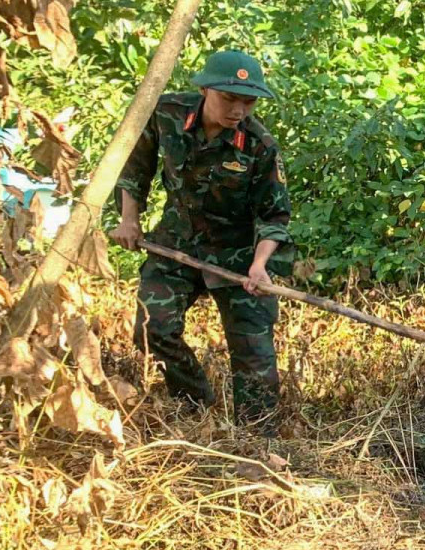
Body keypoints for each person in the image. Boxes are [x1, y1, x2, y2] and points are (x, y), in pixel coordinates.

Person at [112, 49, 292, 429]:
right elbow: (134, 167)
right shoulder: (167, 112)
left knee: (254, 358)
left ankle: (259, 440)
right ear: (206, 89)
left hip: (238, 256)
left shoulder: (259, 145)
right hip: (175, 244)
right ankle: (196, 406)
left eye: (249, 101)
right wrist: (129, 219)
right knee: (152, 329)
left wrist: (259, 266)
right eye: (230, 98)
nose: (239, 110)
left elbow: (274, 215)